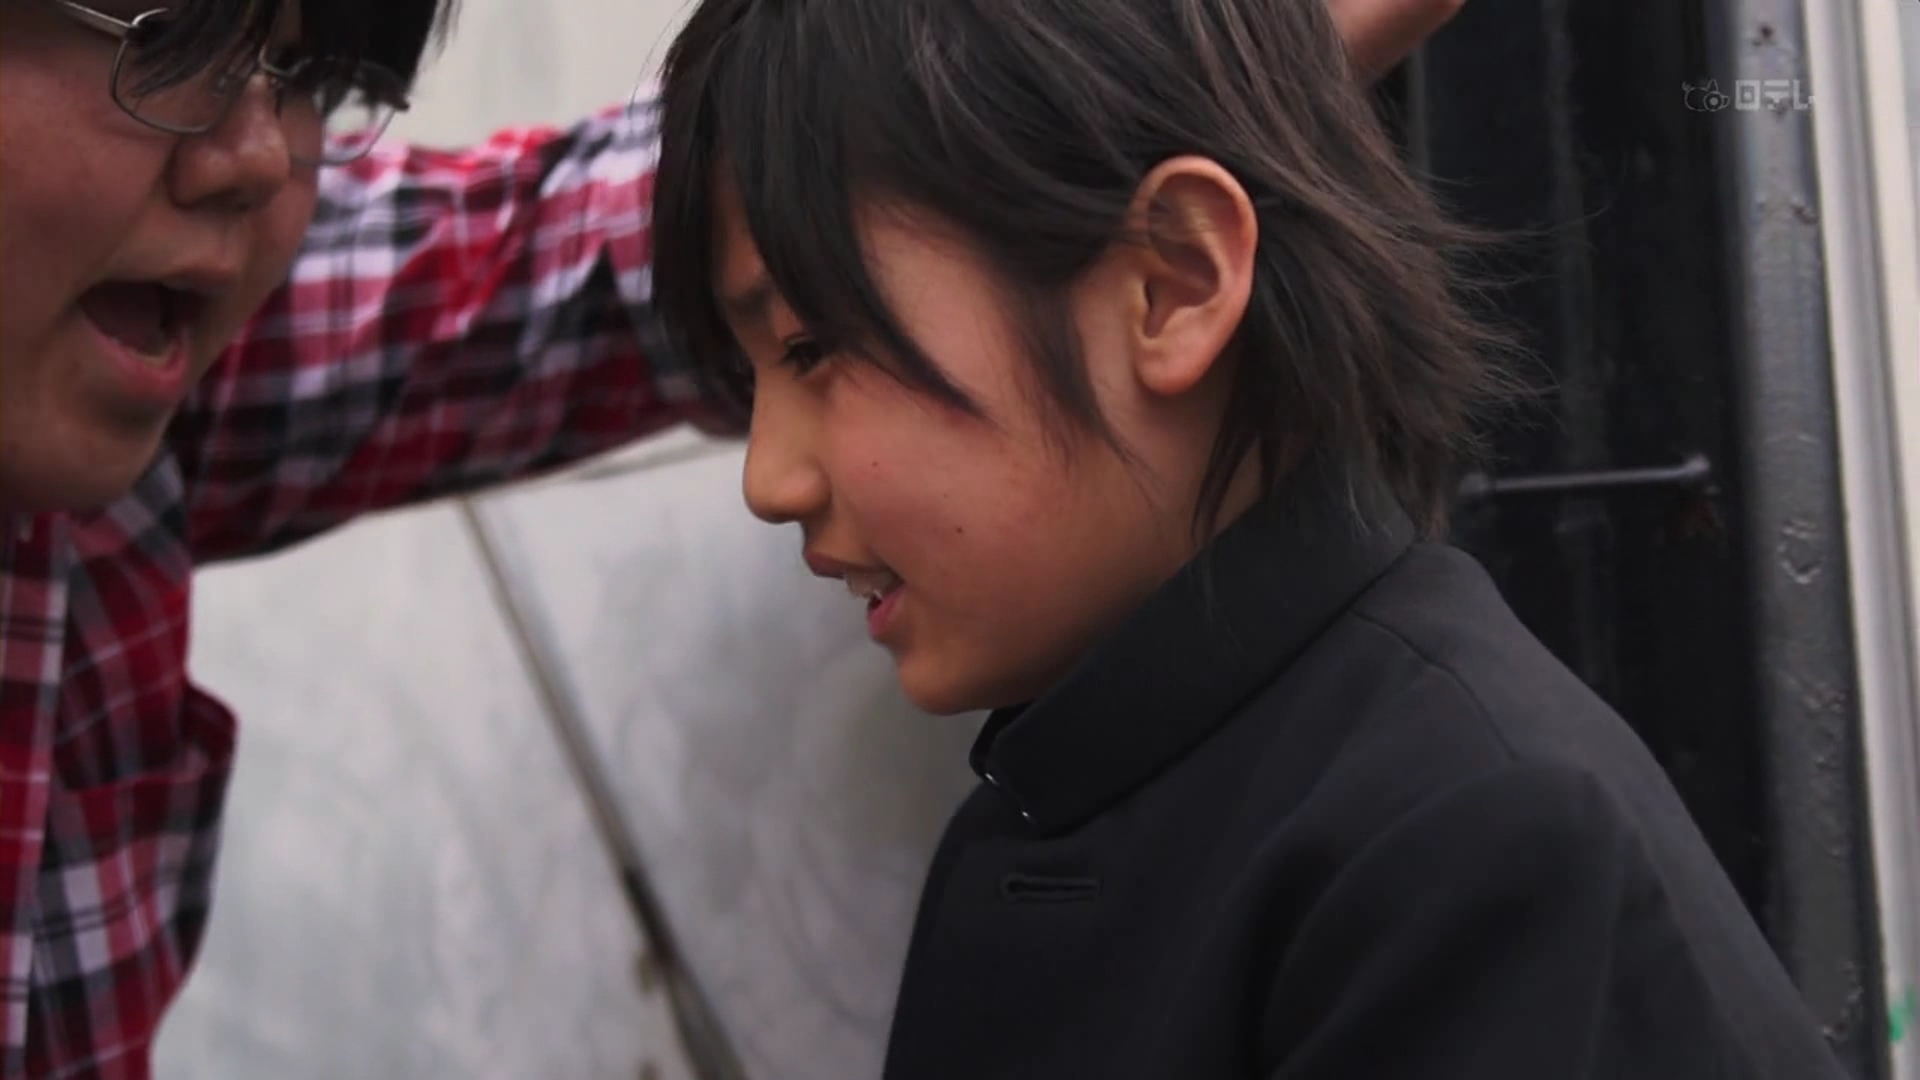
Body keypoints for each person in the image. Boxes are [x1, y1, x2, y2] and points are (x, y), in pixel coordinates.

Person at [0, 0, 1457, 1075]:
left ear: (1174, 282)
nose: (256, 158)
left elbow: (553, 267)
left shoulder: (1473, 855)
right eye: (167, 36)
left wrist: (1140, 59)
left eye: (309, 75)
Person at [649, 0, 1855, 1077]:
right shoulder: (1060, 796)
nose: (769, 480)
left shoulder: (1471, 852)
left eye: (811, 347)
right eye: (752, 379)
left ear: (1172, 282)